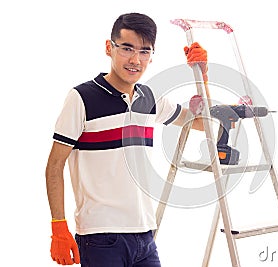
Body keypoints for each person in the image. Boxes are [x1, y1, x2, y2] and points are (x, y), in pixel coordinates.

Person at [45, 12, 208, 266]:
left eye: (145, 51)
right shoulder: (82, 98)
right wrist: (58, 226)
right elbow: (55, 166)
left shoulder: (150, 99)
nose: (135, 60)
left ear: (151, 57)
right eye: (127, 48)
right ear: (109, 48)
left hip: (145, 236)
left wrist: (202, 77)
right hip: (100, 238)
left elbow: (201, 122)